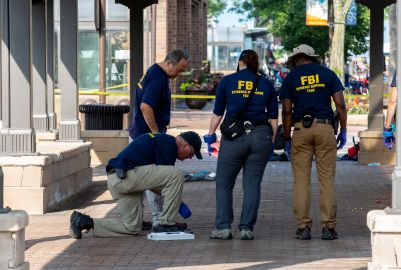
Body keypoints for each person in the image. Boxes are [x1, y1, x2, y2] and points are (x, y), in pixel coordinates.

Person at [68, 131, 202, 239]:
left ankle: (83, 221)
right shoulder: (170, 145)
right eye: (191, 154)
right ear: (185, 145)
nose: (189, 158)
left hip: (118, 180)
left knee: (132, 227)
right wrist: (178, 203)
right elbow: (164, 184)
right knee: (176, 174)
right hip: (127, 176)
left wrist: (175, 200)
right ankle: (166, 223)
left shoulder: (162, 141)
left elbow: (157, 185)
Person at [203, 49, 278, 240]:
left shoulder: (228, 81)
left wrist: (211, 135)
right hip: (260, 134)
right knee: (252, 185)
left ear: (240, 62)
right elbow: (273, 119)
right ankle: (246, 228)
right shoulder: (266, 83)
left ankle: (223, 228)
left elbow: (218, 112)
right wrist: (271, 140)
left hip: (234, 137)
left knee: (224, 182)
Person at [280, 44, 347, 241]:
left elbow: (286, 112)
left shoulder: (291, 78)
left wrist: (286, 137)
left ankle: (303, 228)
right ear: (312, 57)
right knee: (327, 180)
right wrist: (343, 130)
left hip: (301, 130)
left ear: (296, 59)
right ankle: (328, 228)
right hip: (325, 128)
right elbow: (341, 106)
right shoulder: (328, 75)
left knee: (301, 180)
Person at [129, 49, 189, 230]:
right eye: (179, 69)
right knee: (157, 177)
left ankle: (136, 220)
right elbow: (146, 106)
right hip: (146, 137)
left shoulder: (154, 72)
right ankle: (160, 220)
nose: (179, 74)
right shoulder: (158, 77)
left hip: (139, 135)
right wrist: (157, 135)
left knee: (138, 179)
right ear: (170, 62)